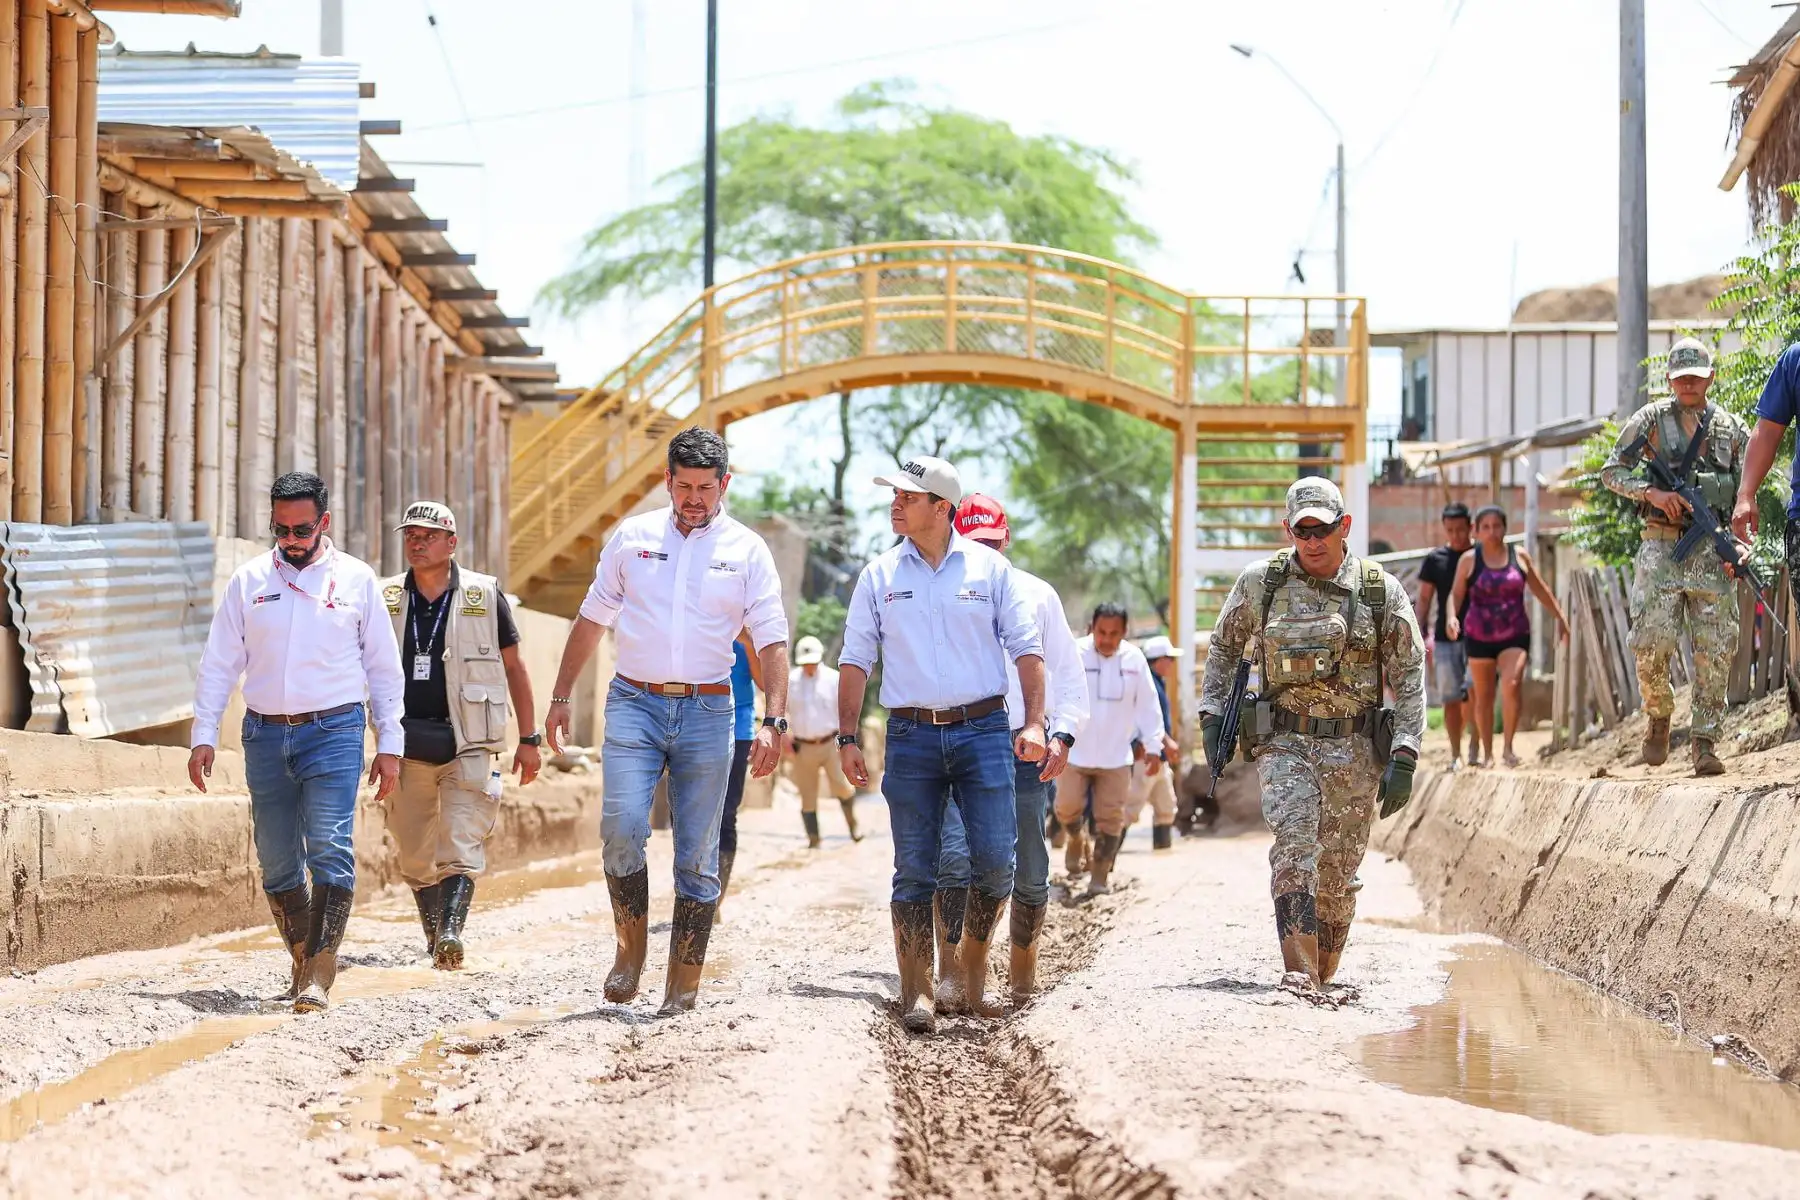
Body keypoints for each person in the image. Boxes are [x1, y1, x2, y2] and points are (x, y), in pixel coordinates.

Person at [545, 427, 790, 1017]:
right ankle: (630, 952)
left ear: (724, 484)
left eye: (707, 488)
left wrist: (773, 720)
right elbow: (591, 617)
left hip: (710, 712)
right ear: (667, 481)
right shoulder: (632, 539)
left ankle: (683, 979)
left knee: (698, 852)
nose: (695, 499)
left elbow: (773, 639)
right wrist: (559, 695)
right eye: (684, 487)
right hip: (634, 702)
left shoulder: (748, 550)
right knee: (622, 826)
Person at [837, 457, 1047, 1034]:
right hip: (909, 735)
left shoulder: (990, 570)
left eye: (908, 495)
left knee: (996, 864)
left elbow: (1028, 650)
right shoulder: (878, 576)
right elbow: (855, 658)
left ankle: (973, 982)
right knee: (914, 869)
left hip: (983, 732)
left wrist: (1035, 724)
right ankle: (918, 991)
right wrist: (848, 735)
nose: (895, 503)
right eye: (895, 494)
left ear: (941, 506)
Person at [189, 472, 404, 1013]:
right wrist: (203, 734)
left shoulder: (357, 580)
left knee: (329, 846)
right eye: (280, 528)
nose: (290, 538)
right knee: (278, 861)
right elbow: (219, 663)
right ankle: (305, 957)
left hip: (334, 730)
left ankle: (318, 975)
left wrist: (390, 742)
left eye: (301, 528)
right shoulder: (249, 581)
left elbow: (383, 668)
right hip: (263, 734)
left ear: (324, 523)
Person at [1200, 477, 1426, 990]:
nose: (1312, 541)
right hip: (1285, 742)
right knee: (1295, 839)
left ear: (1344, 526)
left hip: (1356, 750)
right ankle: (1298, 973)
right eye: (1301, 531)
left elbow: (1410, 674)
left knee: (1339, 874)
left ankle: (1322, 972)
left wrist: (1406, 755)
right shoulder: (1262, 583)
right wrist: (1213, 718)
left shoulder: (1377, 591)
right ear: (1288, 529)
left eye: (1322, 529)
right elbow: (1224, 647)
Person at [933, 494, 1086, 1012]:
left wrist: (1061, 734)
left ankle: (1023, 971)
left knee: (1030, 865)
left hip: (1026, 746)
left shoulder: (1038, 596)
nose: (989, 555)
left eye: (995, 544)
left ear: (1009, 538)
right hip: (963, 741)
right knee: (954, 856)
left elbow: (1067, 672)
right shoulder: (944, 592)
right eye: (977, 546)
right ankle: (952, 970)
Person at [381, 501, 541, 969]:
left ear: (452, 543)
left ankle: (451, 933)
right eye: (410, 534)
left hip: (468, 742)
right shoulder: (384, 595)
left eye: (428, 535)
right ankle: (435, 938)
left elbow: (515, 666)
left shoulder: (483, 594)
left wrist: (529, 740)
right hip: (405, 746)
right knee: (413, 853)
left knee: (459, 842)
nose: (417, 542)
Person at [1608, 337, 1749, 776]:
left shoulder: (1730, 428)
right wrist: (1651, 492)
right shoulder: (1649, 420)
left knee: (1716, 648)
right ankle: (1660, 715)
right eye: (1681, 376)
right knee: (1650, 641)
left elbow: (1749, 487)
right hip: (1661, 549)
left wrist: (1741, 543)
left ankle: (1705, 742)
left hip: (1713, 550)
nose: (1689, 383)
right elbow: (1612, 471)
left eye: (1697, 376)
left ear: (1711, 377)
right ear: (1670, 380)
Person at [1053, 604, 1165, 898]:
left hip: (1116, 758)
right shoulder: (1074, 653)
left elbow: (1148, 707)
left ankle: (1099, 877)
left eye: (1114, 634)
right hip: (1074, 754)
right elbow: (1057, 694)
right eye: (1101, 632)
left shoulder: (1134, 660)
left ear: (1124, 633)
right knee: (1066, 808)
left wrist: (1154, 746)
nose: (1106, 639)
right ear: (1092, 627)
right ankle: (1076, 838)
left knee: (1111, 818)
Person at [1444, 506, 1568, 769]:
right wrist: (1451, 617)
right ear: (1476, 531)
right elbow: (1454, 595)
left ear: (1505, 528)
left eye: (1497, 525)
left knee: (1512, 684)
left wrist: (1560, 617)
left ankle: (1509, 748)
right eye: (1485, 527)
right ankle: (1488, 753)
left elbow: (1539, 588)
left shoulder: (1519, 556)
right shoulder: (1469, 560)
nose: (1492, 532)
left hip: (1514, 633)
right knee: (1484, 695)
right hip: (1478, 636)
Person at [786, 634, 861, 848]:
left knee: (842, 786)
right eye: (806, 663)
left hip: (830, 744)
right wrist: (785, 736)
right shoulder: (791, 681)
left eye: (813, 663)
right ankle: (814, 840)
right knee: (807, 795)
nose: (810, 667)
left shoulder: (834, 679)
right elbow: (785, 710)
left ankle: (853, 826)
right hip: (803, 746)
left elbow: (845, 709)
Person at [1415, 502, 1475, 768]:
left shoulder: (1479, 556)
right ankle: (1456, 753)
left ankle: (1475, 745)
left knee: (1473, 693)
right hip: (1444, 638)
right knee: (1451, 698)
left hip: (1479, 637)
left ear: (1470, 527)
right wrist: (1421, 632)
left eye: (1461, 529)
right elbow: (1425, 599)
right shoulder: (1435, 560)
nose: (1456, 535)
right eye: (1450, 530)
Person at [1125, 634, 1184, 851]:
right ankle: (1105, 861)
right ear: (1157, 660)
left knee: (1166, 807)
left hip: (1159, 757)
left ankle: (1162, 848)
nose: (1171, 664)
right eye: (1168, 659)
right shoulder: (1147, 685)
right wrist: (1166, 741)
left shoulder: (1156, 684)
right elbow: (1146, 720)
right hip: (1147, 755)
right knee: (1130, 809)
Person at [716, 631, 760, 918]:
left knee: (727, 812)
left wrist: (748, 641)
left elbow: (767, 683)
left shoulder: (749, 635)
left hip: (739, 729)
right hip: (696, 725)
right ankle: (693, 885)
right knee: (685, 813)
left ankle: (715, 898)